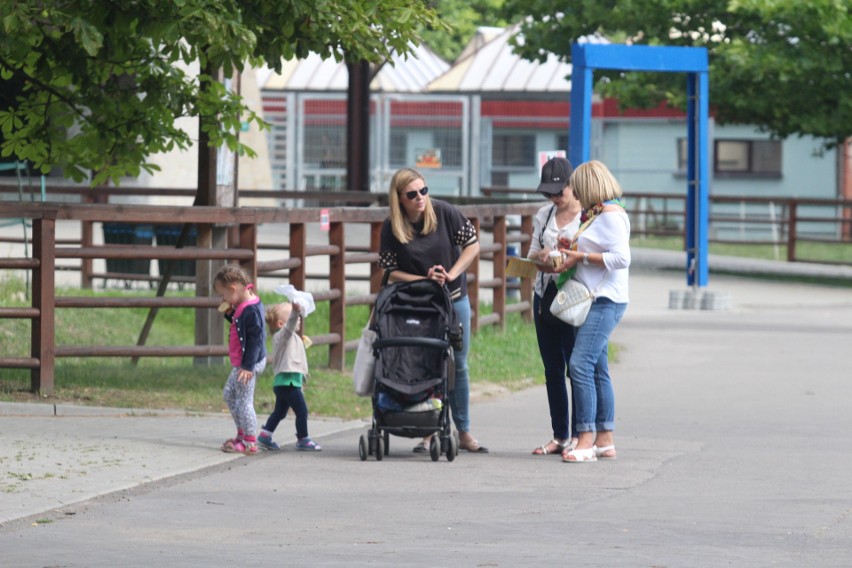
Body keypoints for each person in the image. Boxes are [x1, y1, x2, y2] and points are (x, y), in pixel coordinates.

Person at [378, 168, 488, 454]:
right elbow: (389, 272)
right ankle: (429, 429)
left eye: (423, 191)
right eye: (412, 194)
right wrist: (424, 280)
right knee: (423, 360)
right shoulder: (392, 226)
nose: (420, 198)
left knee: (458, 364)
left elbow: (472, 246)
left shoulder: (444, 212)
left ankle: (463, 430)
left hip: (452, 297)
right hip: (417, 302)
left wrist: (450, 274)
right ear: (399, 199)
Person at [557, 160, 630, 463]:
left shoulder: (610, 216)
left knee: (579, 365)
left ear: (588, 187)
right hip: (594, 297)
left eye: (577, 187)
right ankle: (605, 439)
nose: (574, 193)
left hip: (603, 299)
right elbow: (598, 251)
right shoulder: (599, 214)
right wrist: (574, 249)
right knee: (597, 368)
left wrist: (582, 255)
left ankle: (585, 438)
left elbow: (621, 258)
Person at [527, 157, 583, 456]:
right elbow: (532, 253)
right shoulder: (544, 215)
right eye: (548, 193)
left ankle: (580, 434)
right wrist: (547, 256)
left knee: (577, 367)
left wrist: (570, 253)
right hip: (545, 295)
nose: (554, 198)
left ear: (572, 186)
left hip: (574, 296)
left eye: (558, 192)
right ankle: (560, 434)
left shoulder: (587, 215)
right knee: (552, 369)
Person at [214, 264, 267, 455]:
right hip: (242, 363)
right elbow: (241, 327)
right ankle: (242, 434)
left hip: (248, 364)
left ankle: (250, 442)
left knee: (244, 402)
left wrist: (247, 366)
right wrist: (230, 315)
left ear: (233, 289)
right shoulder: (242, 306)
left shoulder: (250, 310)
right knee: (229, 394)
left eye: (224, 295)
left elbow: (255, 340)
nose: (223, 299)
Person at [257, 302, 321, 452]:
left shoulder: (291, 337)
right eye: (293, 315)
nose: (298, 318)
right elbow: (290, 326)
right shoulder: (282, 336)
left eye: (298, 315)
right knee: (302, 411)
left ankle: (265, 435)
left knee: (280, 412)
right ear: (281, 323)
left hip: (286, 383)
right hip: (287, 383)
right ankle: (303, 439)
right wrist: (295, 311)